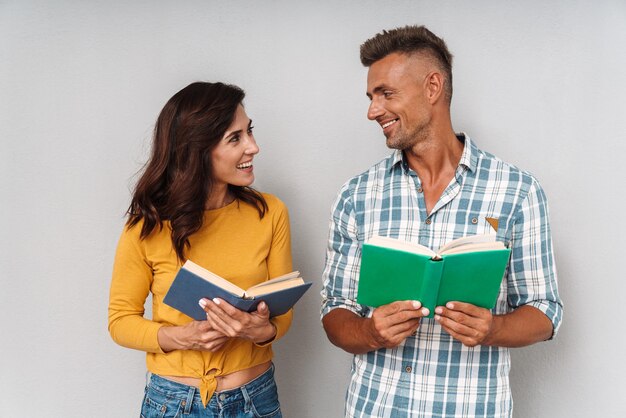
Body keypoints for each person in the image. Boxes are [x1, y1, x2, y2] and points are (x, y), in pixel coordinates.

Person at [321, 25, 563, 417]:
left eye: (386, 93)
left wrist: (492, 329)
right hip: (373, 407)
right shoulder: (356, 195)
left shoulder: (518, 191)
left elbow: (546, 312)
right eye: (370, 96)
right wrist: (369, 332)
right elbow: (335, 311)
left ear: (432, 87)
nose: (372, 110)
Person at [109, 81, 292, 417]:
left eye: (249, 132)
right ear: (197, 150)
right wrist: (183, 337)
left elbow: (283, 312)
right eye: (235, 138)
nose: (253, 147)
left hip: (256, 397)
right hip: (173, 402)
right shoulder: (147, 226)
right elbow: (120, 322)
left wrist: (263, 330)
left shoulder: (270, 212)